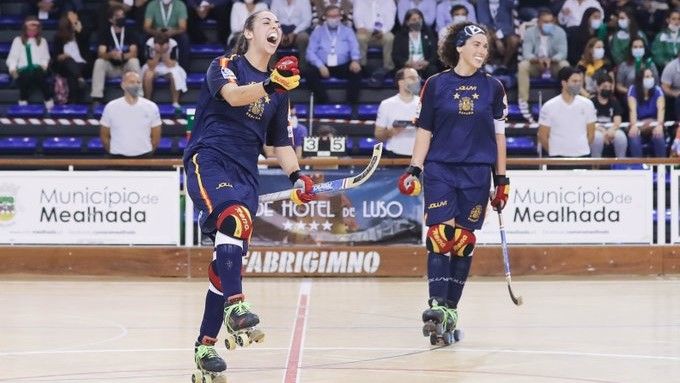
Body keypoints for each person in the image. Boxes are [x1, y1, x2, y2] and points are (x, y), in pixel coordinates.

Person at [182, 10, 315, 378]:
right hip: (209, 160)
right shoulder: (225, 64)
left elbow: (281, 143)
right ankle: (237, 307)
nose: (276, 27)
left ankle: (204, 348)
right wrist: (272, 84)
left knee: (226, 263)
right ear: (248, 32)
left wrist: (298, 176)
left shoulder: (280, 89)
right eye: (267, 22)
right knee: (236, 220)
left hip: (245, 174)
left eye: (278, 24)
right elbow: (234, 96)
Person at [397, 23, 509, 344]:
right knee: (440, 235)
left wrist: (501, 180)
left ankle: (450, 309)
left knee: (462, 240)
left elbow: (500, 138)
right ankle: (435, 305)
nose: (481, 51)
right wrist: (415, 168)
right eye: (475, 44)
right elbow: (425, 131)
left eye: (485, 47)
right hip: (440, 168)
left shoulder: (494, 88)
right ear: (459, 47)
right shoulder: (434, 84)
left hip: (476, 171)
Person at [517, 8, 569, 123]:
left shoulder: (560, 32)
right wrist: (537, 60)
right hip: (536, 65)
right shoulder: (530, 32)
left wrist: (552, 60)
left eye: (551, 21)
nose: (548, 24)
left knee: (565, 65)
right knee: (523, 65)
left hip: (553, 65)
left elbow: (563, 53)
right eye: (545, 22)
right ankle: (523, 101)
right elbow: (526, 53)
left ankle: (567, 98)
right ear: (538, 22)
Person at [305, 5, 362, 104]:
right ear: (325, 17)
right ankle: (323, 101)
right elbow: (310, 52)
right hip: (323, 66)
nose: (333, 19)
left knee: (357, 71)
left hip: (342, 65)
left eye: (336, 16)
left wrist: (355, 60)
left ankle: (351, 104)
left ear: (340, 16)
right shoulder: (318, 32)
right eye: (331, 16)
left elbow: (354, 47)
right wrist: (320, 66)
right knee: (309, 72)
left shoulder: (348, 31)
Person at [537, 66, 596, 157]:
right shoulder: (549, 106)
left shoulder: (588, 104)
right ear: (564, 83)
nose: (578, 84)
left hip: (582, 155)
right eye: (574, 81)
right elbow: (542, 136)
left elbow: (591, 135)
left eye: (580, 81)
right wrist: (555, 151)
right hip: (557, 157)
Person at [100, 71, 162, 157]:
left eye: (138, 82)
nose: (136, 85)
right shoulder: (111, 107)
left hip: (144, 157)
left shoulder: (151, 106)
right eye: (132, 82)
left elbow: (156, 137)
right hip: (117, 158)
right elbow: (104, 136)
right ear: (123, 85)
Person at [91, 4, 141, 105]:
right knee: (99, 62)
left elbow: (134, 52)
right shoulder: (105, 32)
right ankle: (97, 97)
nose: (121, 18)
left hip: (126, 68)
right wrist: (110, 55)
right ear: (111, 19)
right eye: (118, 16)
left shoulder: (129, 31)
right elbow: (101, 53)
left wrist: (123, 56)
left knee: (134, 61)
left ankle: (139, 94)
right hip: (111, 68)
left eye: (122, 15)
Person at [6, 16, 53, 110]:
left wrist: (44, 65)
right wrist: (12, 69)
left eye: (34, 30)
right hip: (23, 69)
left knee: (38, 72)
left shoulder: (42, 41)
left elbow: (45, 57)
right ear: (25, 29)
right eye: (29, 30)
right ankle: (23, 99)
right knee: (26, 74)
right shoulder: (18, 40)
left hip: (38, 69)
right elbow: (13, 57)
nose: (32, 32)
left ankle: (47, 98)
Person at [374, 68, 421, 158]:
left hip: (419, 155)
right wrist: (391, 132)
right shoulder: (386, 104)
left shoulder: (424, 103)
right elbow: (378, 135)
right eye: (412, 78)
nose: (416, 81)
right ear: (401, 82)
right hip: (394, 155)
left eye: (417, 78)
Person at [627, 67, 667, 157]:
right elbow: (632, 110)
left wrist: (659, 125)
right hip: (638, 124)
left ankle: (662, 167)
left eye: (651, 76)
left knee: (659, 134)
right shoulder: (633, 90)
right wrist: (634, 125)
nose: (650, 79)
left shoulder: (658, 90)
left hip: (654, 124)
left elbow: (661, 110)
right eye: (647, 76)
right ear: (641, 79)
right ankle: (638, 168)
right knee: (633, 135)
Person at [52, 11, 90, 104]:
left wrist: (79, 32)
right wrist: (62, 56)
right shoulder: (58, 37)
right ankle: (80, 78)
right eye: (73, 15)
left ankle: (72, 104)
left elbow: (86, 47)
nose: (76, 16)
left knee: (71, 76)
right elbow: (55, 57)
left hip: (81, 65)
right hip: (64, 65)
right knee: (69, 61)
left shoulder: (81, 33)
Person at [142, 32, 187, 109]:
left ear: (168, 43)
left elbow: (171, 64)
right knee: (148, 75)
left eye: (163, 44)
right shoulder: (149, 43)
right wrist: (157, 54)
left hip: (168, 65)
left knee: (176, 74)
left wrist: (164, 53)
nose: (161, 46)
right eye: (159, 45)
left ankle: (175, 102)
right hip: (154, 66)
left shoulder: (173, 44)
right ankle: (147, 101)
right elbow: (151, 66)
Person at [144, 0, 190, 70]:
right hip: (156, 33)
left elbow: (183, 27)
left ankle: (183, 68)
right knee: (144, 38)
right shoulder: (152, 4)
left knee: (184, 38)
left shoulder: (180, 5)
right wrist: (157, 32)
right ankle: (146, 64)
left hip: (173, 33)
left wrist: (173, 31)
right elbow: (147, 27)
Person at [353, 0, 396, 76]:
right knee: (360, 38)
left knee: (390, 38)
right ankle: (362, 65)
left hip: (383, 30)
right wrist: (360, 26)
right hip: (365, 30)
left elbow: (391, 19)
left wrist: (383, 31)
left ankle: (388, 67)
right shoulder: (359, 1)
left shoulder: (389, 1)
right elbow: (357, 15)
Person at [392, 9, 437, 79]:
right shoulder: (400, 36)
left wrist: (427, 62)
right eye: (414, 19)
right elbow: (396, 55)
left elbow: (434, 53)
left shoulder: (429, 33)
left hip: (425, 66)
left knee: (433, 70)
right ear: (407, 22)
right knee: (402, 72)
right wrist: (407, 63)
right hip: (407, 65)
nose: (417, 21)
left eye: (419, 18)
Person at [590, 73, 628, 158]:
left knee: (621, 137)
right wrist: (602, 131)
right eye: (604, 87)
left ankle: (620, 165)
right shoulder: (591, 102)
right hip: (596, 129)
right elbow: (589, 122)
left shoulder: (614, 102)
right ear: (598, 87)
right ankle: (595, 166)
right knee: (597, 138)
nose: (607, 89)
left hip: (611, 129)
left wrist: (612, 130)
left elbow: (617, 121)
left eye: (609, 87)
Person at [476, 0, 519, 70]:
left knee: (514, 40)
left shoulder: (507, 2)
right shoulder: (481, 2)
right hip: (489, 31)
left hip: (504, 31)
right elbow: (484, 23)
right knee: (486, 37)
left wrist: (499, 36)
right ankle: (489, 64)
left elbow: (507, 24)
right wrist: (497, 40)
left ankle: (503, 65)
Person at [270, 0, 312, 67]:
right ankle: (272, 71)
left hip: (298, 30)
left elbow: (307, 20)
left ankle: (303, 70)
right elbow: (272, 19)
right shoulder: (276, 1)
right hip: (279, 29)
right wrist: (280, 32)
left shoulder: (304, 1)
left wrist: (294, 33)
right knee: (270, 38)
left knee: (304, 38)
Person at [616, 37, 658, 102]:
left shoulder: (650, 64)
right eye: (635, 47)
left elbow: (656, 84)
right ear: (631, 49)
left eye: (641, 47)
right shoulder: (624, 65)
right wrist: (632, 92)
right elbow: (619, 86)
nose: (638, 49)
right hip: (630, 97)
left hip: (649, 96)